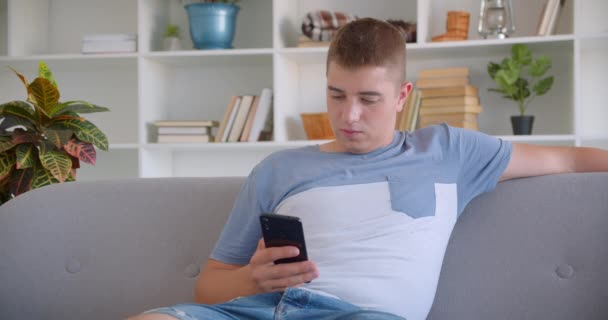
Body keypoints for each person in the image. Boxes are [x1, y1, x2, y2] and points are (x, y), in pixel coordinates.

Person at [128, 18, 608, 320]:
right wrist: (252, 279)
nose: (348, 115)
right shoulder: (278, 169)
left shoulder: (448, 151)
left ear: (402, 97)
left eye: (368, 99)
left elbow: (568, 158)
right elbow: (209, 285)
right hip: (259, 310)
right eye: (336, 95)